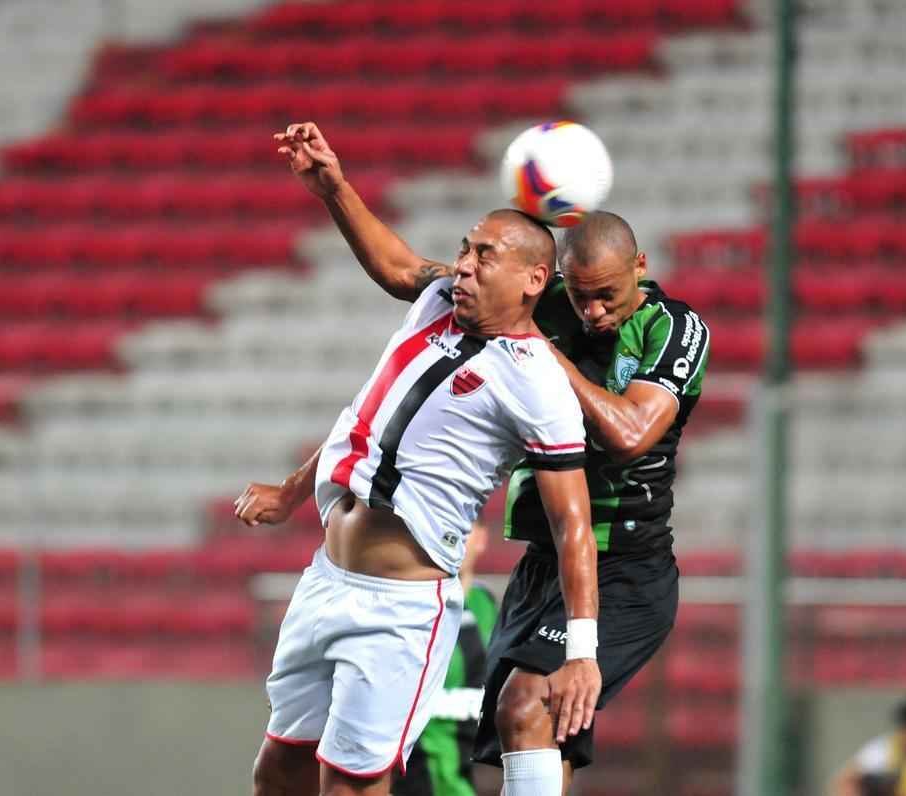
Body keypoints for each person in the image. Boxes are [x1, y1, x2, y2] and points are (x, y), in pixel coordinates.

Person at [276, 124, 710, 796]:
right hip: (543, 565)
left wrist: (540, 345)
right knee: (528, 728)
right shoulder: (535, 304)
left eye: (608, 298)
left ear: (641, 267)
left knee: (525, 708)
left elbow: (629, 433)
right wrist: (334, 187)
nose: (592, 313)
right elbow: (402, 272)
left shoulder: (672, 327)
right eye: (580, 294)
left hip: (624, 560)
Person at [233, 124, 601, 796]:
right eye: (464, 249)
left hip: (398, 609)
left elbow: (572, 521)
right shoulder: (436, 303)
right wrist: (334, 189)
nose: (462, 264)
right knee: (278, 772)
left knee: (349, 785)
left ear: (532, 280)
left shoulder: (537, 381)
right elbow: (367, 411)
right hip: (325, 582)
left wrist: (583, 651)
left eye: (484, 256)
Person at [392, 522, 499, 796]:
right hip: (405, 778)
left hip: (462, 778)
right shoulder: (401, 606)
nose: (458, 536)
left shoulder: (486, 602)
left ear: (483, 537)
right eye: (449, 524)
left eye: (468, 526)